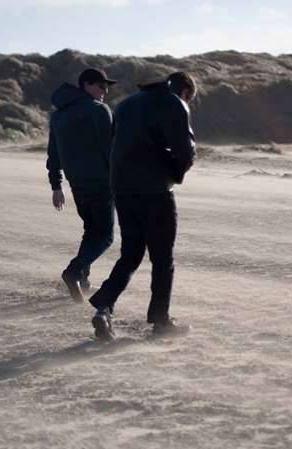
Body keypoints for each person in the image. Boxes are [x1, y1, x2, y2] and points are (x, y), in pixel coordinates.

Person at [88, 71, 197, 340]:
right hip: (155, 191)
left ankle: (103, 308)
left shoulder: (127, 103)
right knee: (162, 258)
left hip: (123, 189)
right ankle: (161, 321)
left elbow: (114, 145)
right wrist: (175, 175)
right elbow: (185, 150)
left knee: (131, 254)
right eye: (188, 98)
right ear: (183, 92)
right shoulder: (174, 103)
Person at [46, 68, 116, 302]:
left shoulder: (58, 115)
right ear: (87, 84)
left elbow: (53, 154)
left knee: (91, 230)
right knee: (105, 236)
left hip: (77, 184)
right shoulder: (98, 110)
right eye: (101, 85)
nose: (105, 91)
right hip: (101, 182)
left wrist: (56, 185)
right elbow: (110, 150)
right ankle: (74, 272)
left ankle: (83, 280)